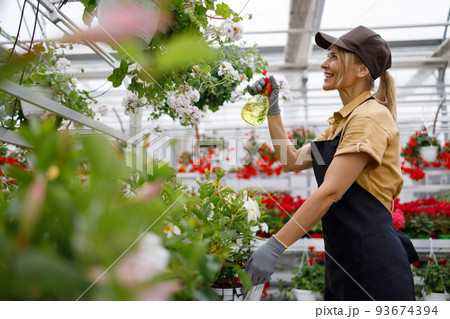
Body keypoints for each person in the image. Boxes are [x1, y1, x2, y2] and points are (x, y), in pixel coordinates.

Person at [245, 25, 418, 301]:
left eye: (335, 57)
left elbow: (332, 191)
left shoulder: (369, 118)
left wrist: (276, 246)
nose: (324, 64)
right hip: (346, 260)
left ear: (362, 70)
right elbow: (289, 160)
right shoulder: (343, 122)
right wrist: (273, 109)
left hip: (373, 266)